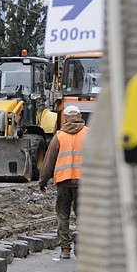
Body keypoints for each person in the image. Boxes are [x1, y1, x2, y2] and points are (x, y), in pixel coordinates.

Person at [38, 104, 89, 260]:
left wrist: (43, 181)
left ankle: (65, 249)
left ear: (65, 118)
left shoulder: (59, 136)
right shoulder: (89, 134)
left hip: (63, 181)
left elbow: (48, 162)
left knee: (62, 214)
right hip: (84, 182)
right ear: (80, 116)